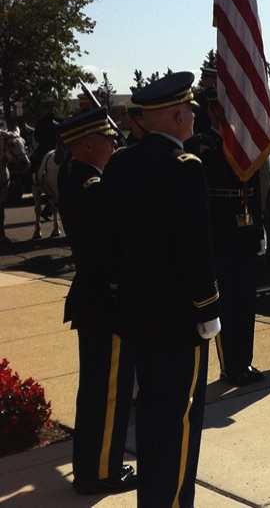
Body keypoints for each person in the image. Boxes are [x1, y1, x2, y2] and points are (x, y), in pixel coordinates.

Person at [101, 71, 221, 507]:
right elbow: (196, 247)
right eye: (188, 110)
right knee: (179, 423)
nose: (192, 116)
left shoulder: (120, 164)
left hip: (137, 316)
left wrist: (122, 292)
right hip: (179, 321)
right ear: (174, 117)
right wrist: (208, 307)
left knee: (151, 418)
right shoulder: (184, 168)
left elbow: (108, 243)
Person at [56, 108, 137, 495]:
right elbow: (115, 243)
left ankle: (94, 463)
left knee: (95, 389)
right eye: (108, 138)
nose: (115, 143)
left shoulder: (79, 177)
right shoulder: (92, 184)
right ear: (88, 144)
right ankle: (101, 471)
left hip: (93, 297)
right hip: (107, 299)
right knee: (107, 390)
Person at [186, 88, 265, 386]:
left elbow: (255, 186)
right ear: (212, 111)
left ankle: (245, 360)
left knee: (246, 299)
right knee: (228, 299)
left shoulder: (244, 144)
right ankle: (229, 365)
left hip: (244, 225)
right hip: (219, 227)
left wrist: (259, 229)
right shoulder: (201, 144)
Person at [29, 99, 61, 174]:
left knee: (31, 163)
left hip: (44, 149)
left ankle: (29, 183)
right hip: (59, 148)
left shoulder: (40, 122)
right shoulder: (60, 120)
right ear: (53, 108)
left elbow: (37, 137)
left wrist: (44, 143)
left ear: (44, 109)